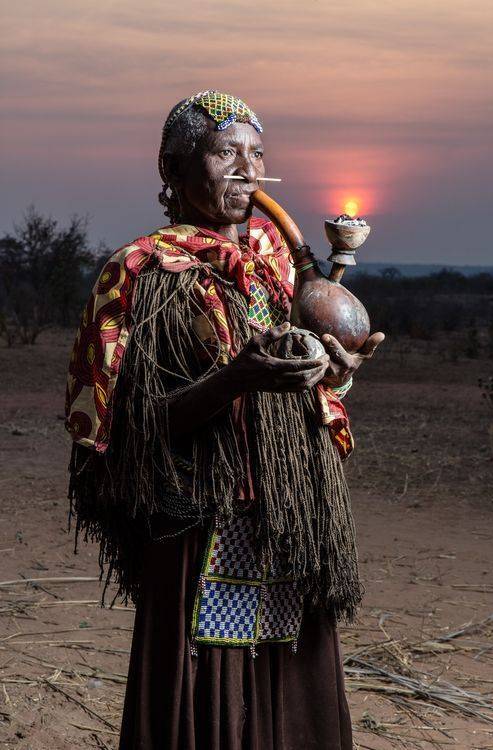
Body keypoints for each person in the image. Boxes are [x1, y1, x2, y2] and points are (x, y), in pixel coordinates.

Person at [65, 90, 384, 750]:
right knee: (206, 698)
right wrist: (237, 376)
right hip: (199, 522)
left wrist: (335, 367)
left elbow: (317, 393)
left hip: (291, 518)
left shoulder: (279, 271)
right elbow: (126, 429)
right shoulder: (138, 274)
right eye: (224, 152)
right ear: (173, 167)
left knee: (294, 692)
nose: (248, 169)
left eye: (257, 154)